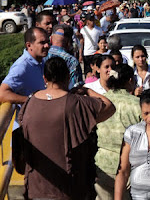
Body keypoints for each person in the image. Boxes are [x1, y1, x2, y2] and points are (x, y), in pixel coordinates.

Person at [18, 57, 116, 200]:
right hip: (70, 188)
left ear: (45, 78)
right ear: (67, 76)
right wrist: (87, 91)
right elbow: (109, 107)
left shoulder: (30, 102)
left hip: (36, 186)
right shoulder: (77, 103)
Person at [95, 64, 141, 199]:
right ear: (130, 81)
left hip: (103, 164)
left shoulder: (100, 102)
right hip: (129, 167)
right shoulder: (137, 104)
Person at [0, 27, 50, 104]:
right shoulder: (22, 66)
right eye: (42, 43)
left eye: (48, 42)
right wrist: (31, 100)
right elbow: (2, 94)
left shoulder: (40, 61)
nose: (47, 46)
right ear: (29, 45)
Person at [44, 25, 83, 89]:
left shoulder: (42, 55)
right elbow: (75, 88)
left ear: (51, 39)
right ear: (69, 42)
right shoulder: (72, 61)